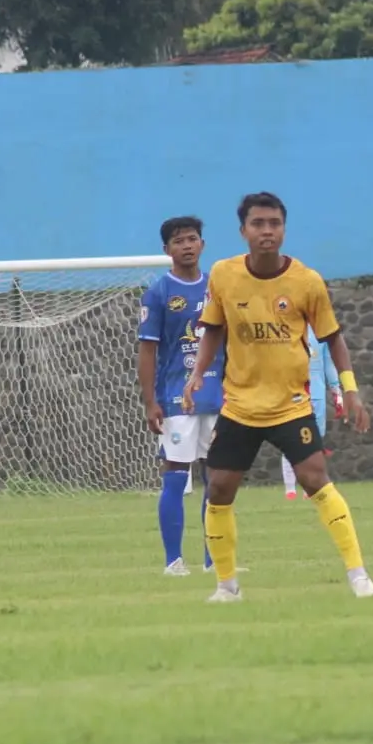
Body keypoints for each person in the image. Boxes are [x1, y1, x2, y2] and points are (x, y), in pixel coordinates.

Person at [182, 192, 373, 602]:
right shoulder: (223, 274)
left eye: (274, 223)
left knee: (314, 480)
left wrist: (351, 389)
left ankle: (359, 575)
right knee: (218, 487)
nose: (267, 231)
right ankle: (226, 586)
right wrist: (197, 374)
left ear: (284, 229)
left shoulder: (307, 281)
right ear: (243, 231)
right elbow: (213, 328)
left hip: (290, 404)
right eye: (258, 224)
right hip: (239, 405)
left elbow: (333, 339)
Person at [138, 216, 222, 577]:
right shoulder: (157, 293)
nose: (186, 246)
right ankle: (174, 561)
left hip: (219, 397)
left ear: (202, 244)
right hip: (176, 400)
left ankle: (213, 560)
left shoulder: (218, 289)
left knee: (218, 477)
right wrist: (150, 401)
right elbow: (147, 350)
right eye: (178, 241)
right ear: (166, 250)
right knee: (175, 472)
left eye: (192, 239)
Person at [280, 326, 344, 500]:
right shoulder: (286, 329)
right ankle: (290, 488)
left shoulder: (319, 332)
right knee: (289, 440)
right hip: (292, 394)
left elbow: (328, 363)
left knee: (314, 443)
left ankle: (310, 487)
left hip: (316, 396)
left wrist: (336, 391)